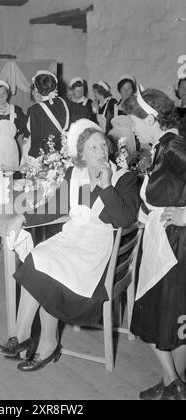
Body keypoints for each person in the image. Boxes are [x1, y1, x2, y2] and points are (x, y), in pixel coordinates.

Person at [0, 119, 139, 372]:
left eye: (103, 146)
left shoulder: (122, 178)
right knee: (40, 257)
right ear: (80, 154)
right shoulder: (76, 175)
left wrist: (106, 186)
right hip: (73, 240)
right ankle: (27, 337)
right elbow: (55, 207)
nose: (101, 151)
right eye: (93, 148)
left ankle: (37, 342)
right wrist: (23, 217)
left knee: (48, 266)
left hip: (96, 252)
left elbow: (125, 219)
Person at [124, 87, 186, 400]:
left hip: (175, 244)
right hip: (168, 240)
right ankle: (170, 383)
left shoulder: (175, 147)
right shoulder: (165, 146)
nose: (132, 128)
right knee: (176, 319)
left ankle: (174, 383)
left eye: (134, 121)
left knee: (155, 313)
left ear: (150, 118)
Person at [23, 70, 70, 159]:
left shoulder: (36, 109)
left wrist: (32, 160)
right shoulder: (65, 102)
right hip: (65, 153)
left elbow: (36, 140)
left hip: (46, 155)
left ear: (36, 89)